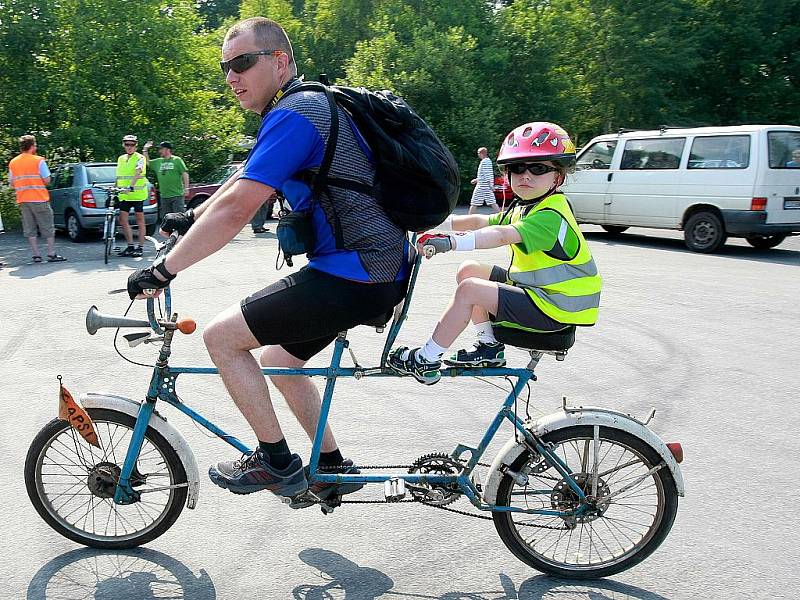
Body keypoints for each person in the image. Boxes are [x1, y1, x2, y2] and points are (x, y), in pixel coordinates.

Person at [126, 17, 410, 502]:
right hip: (369, 268)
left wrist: (164, 269)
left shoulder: (298, 113)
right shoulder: (302, 106)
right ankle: (331, 465)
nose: (231, 77)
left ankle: (276, 462)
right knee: (280, 361)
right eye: (225, 68)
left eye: (241, 63)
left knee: (221, 339)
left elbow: (239, 208)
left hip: (358, 271)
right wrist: (190, 217)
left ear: (279, 62)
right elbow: (242, 184)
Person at [387, 122, 601, 385]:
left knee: (470, 289)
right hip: (541, 294)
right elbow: (480, 222)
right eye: (517, 168)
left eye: (538, 168)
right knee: (469, 269)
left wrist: (449, 243)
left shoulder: (551, 215)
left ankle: (426, 359)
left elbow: (501, 236)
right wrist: (430, 221)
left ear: (558, 177)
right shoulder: (529, 206)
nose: (526, 176)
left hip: (555, 308)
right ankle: (489, 348)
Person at [7, 134, 66, 263]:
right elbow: (47, 180)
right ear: (32, 146)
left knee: (30, 228)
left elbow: (11, 182)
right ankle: (51, 253)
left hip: (23, 199)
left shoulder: (14, 162)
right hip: (39, 198)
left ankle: (36, 254)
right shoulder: (38, 160)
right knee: (47, 226)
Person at [115, 135, 149, 257]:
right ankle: (130, 246)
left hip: (137, 194)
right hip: (124, 195)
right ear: (123, 145)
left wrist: (131, 186)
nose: (129, 147)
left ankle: (140, 247)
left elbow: (138, 172)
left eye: (132, 145)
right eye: (127, 144)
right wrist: (115, 187)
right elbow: (119, 175)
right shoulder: (121, 158)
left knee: (140, 221)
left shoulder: (140, 157)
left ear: (136, 146)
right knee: (122, 220)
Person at [143, 141, 189, 222]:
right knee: (167, 220)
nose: (159, 151)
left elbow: (184, 174)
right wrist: (145, 150)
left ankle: (181, 234)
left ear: (167, 150)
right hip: (164, 196)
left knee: (180, 219)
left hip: (177, 195)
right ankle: (170, 234)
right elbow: (147, 162)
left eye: (161, 149)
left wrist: (186, 188)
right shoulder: (158, 162)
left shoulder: (177, 160)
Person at [469, 147, 499, 215]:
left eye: (478, 153)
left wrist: (491, 186)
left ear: (482, 153)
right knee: (492, 202)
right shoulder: (487, 161)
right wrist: (476, 180)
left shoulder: (485, 162)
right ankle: (501, 216)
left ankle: (469, 217)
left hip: (483, 186)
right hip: (484, 186)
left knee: (474, 202)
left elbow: (487, 175)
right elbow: (483, 175)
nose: (478, 154)